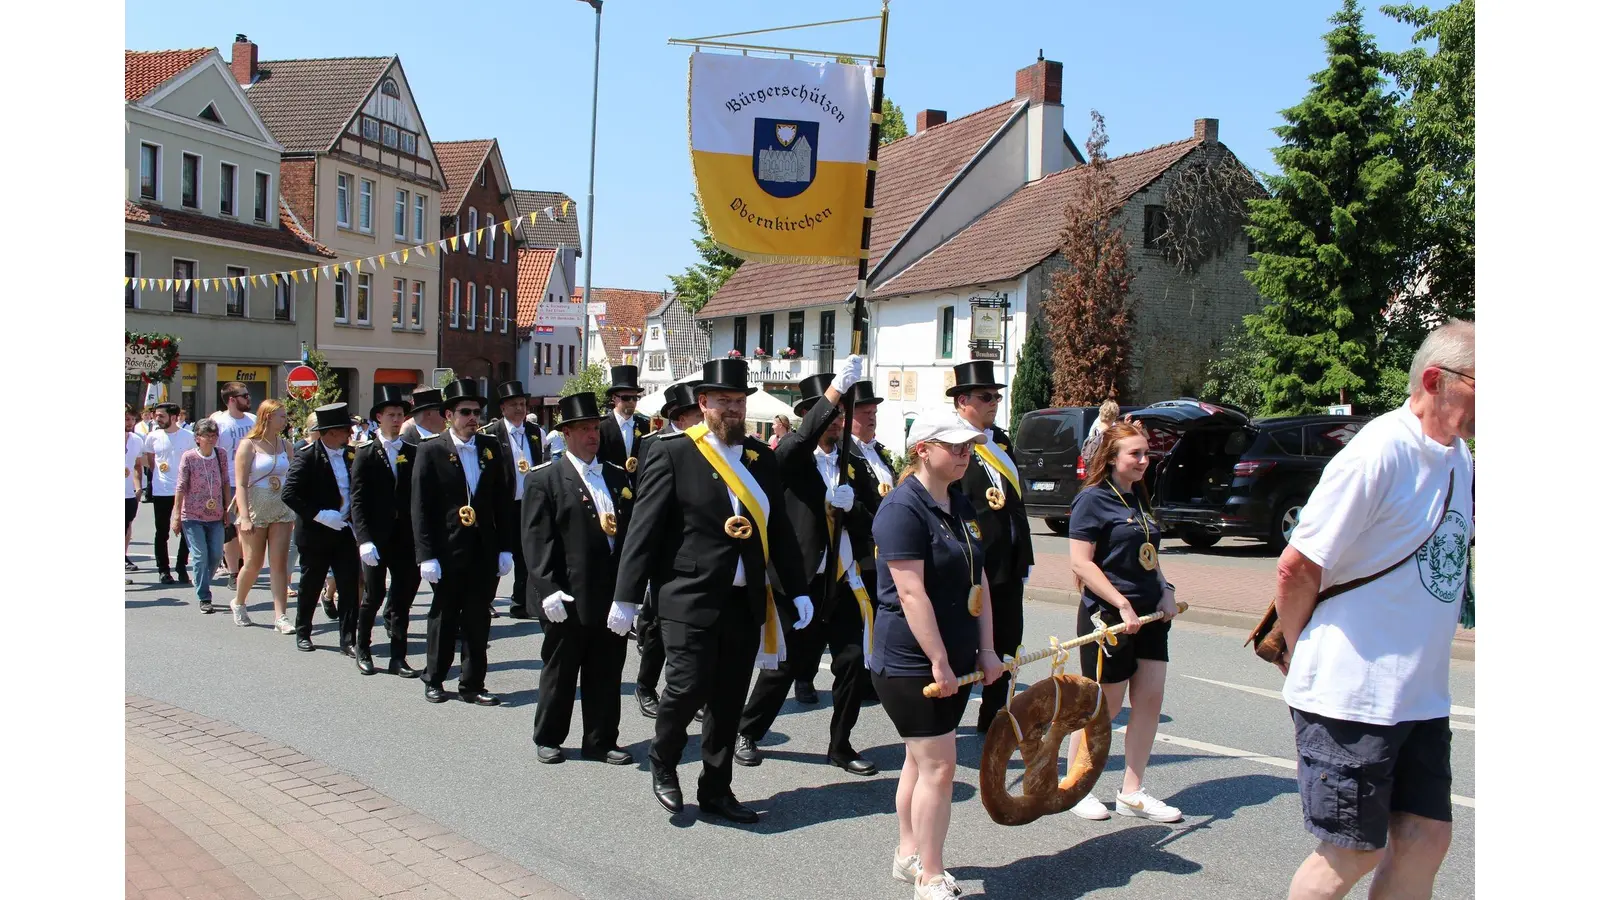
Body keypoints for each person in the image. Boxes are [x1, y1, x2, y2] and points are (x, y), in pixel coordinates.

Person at [1275, 321, 1474, 900]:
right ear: (1437, 381)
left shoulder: (1460, 459)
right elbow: (1297, 566)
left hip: (1419, 697)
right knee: (1352, 851)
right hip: (1353, 694)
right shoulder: (1380, 452)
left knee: (1427, 837)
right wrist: (1296, 646)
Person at [612, 357, 813, 824]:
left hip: (744, 600)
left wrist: (797, 589)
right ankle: (663, 761)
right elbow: (643, 529)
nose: (733, 410)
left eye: (739, 401)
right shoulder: (672, 451)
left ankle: (716, 788)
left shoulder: (761, 458)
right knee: (684, 689)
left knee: (727, 699)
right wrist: (625, 595)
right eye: (724, 401)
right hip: (687, 595)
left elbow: (778, 529)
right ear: (703, 404)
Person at [871, 409, 1004, 900]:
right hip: (912, 662)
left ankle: (909, 855)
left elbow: (980, 579)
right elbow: (910, 594)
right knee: (940, 767)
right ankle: (930, 874)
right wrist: (941, 661)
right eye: (955, 446)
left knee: (919, 761)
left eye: (969, 446)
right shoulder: (901, 508)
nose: (965, 453)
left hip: (955, 654)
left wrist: (987, 649)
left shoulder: (960, 502)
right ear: (922, 449)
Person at [735, 357, 879, 777]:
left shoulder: (853, 463)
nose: (835, 421)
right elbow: (796, 446)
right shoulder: (790, 458)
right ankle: (748, 730)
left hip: (843, 581)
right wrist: (834, 392)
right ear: (809, 417)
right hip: (800, 581)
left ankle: (840, 744)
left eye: (839, 414)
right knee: (785, 667)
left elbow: (875, 521)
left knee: (852, 662)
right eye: (828, 413)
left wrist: (852, 512)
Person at [1064, 421, 1183, 823]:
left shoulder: (1137, 497)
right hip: (1109, 616)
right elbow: (1081, 562)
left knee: (1149, 701)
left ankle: (1132, 792)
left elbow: (1148, 554)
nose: (1144, 461)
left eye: (1146, 454)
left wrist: (1165, 587)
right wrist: (1121, 603)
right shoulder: (1092, 500)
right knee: (1104, 707)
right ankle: (1077, 786)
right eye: (1135, 454)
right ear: (1111, 457)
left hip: (1150, 613)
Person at [525, 392, 637, 764]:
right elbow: (537, 540)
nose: (593, 435)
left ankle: (602, 739)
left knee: (606, 669)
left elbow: (629, 534)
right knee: (560, 668)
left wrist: (632, 588)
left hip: (608, 591)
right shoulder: (547, 479)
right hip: (568, 593)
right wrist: (547, 589)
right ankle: (549, 735)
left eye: (595, 428)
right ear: (566, 434)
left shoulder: (616, 475)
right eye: (584, 429)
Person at [412, 380, 516, 705]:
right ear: (448, 415)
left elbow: (503, 500)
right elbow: (420, 506)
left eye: (477, 412)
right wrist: (425, 554)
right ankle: (435, 678)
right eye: (466, 412)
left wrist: (506, 547)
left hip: (483, 549)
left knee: (478, 618)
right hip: (447, 550)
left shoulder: (490, 447)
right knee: (443, 616)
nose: (473, 417)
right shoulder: (430, 450)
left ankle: (472, 684)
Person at [948, 361, 1034, 733]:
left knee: (1007, 644)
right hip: (974, 564)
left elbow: (1014, 502)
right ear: (963, 400)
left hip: (1009, 562)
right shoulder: (950, 440)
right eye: (986, 397)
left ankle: (994, 716)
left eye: (997, 396)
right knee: (967, 647)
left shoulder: (998, 440)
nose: (994, 402)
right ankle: (945, 723)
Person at [350, 386, 422, 677]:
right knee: (374, 594)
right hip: (376, 537)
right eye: (390, 415)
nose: (395, 419)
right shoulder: (366, 453)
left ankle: (398, 656)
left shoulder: (412, 452)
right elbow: (357, 499)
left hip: (404, 536)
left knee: (403, 595)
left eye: (400, 415)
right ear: (378, 417)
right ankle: (363, 648)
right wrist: (364, 539)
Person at [282, 403, 363, 655]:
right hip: (316, 532)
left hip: (345, 530)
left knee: (350, 585)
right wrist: (320, 515)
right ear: (329, 432)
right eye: (344, 430)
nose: (349, 434)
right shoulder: (307, 456)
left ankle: (348, 639)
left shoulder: (351, 455)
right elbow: (289, 494)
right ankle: (304, 630)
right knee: (311, 583)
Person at [480, 381, 541, 619]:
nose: (519, 408)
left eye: (522, 404)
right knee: (497, 554)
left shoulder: (534, 432)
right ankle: (486, 600)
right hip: (502, 505)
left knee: (526, 555)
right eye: (514, 405)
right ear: (503, 408)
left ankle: (521, 602)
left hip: (528, 504)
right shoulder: (491, 433)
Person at [235, 401, 297, 633]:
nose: (285, 420)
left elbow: (291, 478)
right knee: (253, 563)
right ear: (268, 417)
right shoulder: (248, 445)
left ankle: (281, 616)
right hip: (255, 507)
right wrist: (244, 516)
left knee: (279, 563)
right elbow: (241, 484)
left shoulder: (286, 445)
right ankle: (239, 602)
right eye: (281, 416)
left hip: (280, 508)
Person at [172, 419, 235, 618]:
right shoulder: (189, 457)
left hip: (215, 514)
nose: (212, 438)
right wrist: (176, 516)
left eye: (214, 435)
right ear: (197, 438)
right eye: (207, 435)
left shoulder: (220, 454)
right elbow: (181, 487)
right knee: (200, 556)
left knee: (216, 555)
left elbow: (225, 481)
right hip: (192, 515)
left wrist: (227, 508)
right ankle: (204, 596)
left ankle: (202, 581)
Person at [209, 383, 257, 590]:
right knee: (230, 527)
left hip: (253, 481)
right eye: (244, 396)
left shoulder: (253, 420)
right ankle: (233, 572)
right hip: (227, 481)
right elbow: (210, 451)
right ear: (231, 399)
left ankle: (244, 565)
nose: (248, 399)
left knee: (246, 527)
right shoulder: (219, 422)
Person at [144, 402, 196, 584]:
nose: (157, 419)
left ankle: (181, 567)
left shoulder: (189, 437)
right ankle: (163, 570)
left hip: (184, 490)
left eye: (161, 416)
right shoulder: (152, 437)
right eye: (156, 416)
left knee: (186, 531)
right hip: (161, 491)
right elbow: (151, 461)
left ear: (174, 418)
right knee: (162, 531)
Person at [597, 365, 650, 481]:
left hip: (640, 490)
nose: (631, 402)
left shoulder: (646, 426)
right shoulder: (602, 427)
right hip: (611, 488)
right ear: (614, 398)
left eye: (635, 398)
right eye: (626, 398)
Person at [126, 405, 146, 576]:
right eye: (127, 419)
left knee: (126, 527)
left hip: (128, 492)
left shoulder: (136, 440)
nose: (130, 423)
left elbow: (138, 465)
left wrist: (138, 487)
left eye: (133, 419)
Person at [1082, 398, 1119, 463]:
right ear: (1114, 415)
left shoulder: (1094, 430)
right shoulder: (1109, 434)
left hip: (1092, 469)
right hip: (1103, 470)